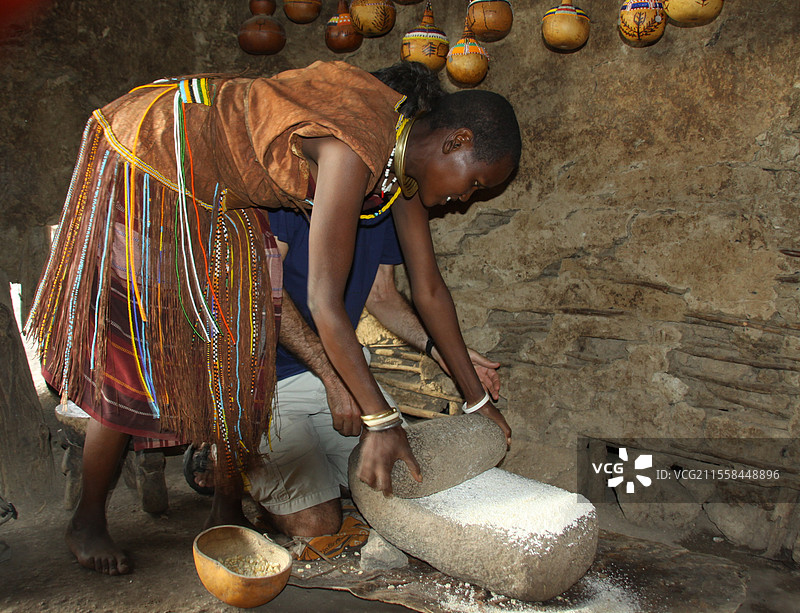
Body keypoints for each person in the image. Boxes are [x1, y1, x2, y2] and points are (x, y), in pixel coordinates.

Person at [25, 60, 521, 575]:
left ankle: (225, 505)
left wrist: (477, 399)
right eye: (475, 182)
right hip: (155, 158)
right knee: (135, 359)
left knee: (229, 345)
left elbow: (430, 290)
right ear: (454, 140)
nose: (466, 198)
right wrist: (381, 419)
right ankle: (87, 519)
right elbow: (325, 304)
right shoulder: (355, 147)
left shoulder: (399, 172)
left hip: (218, 190)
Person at [205, 203, 503, 537]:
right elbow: (261, 290)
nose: (462, 196)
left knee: (405, 476)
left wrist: (441, 351)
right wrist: (333, 376)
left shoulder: (384, 209)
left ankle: (317, 471)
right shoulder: (288, 199)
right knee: (316, 527)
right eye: (472, 183)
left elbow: (382, 294)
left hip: (340, 373)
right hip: (267, 382)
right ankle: (229, 453)